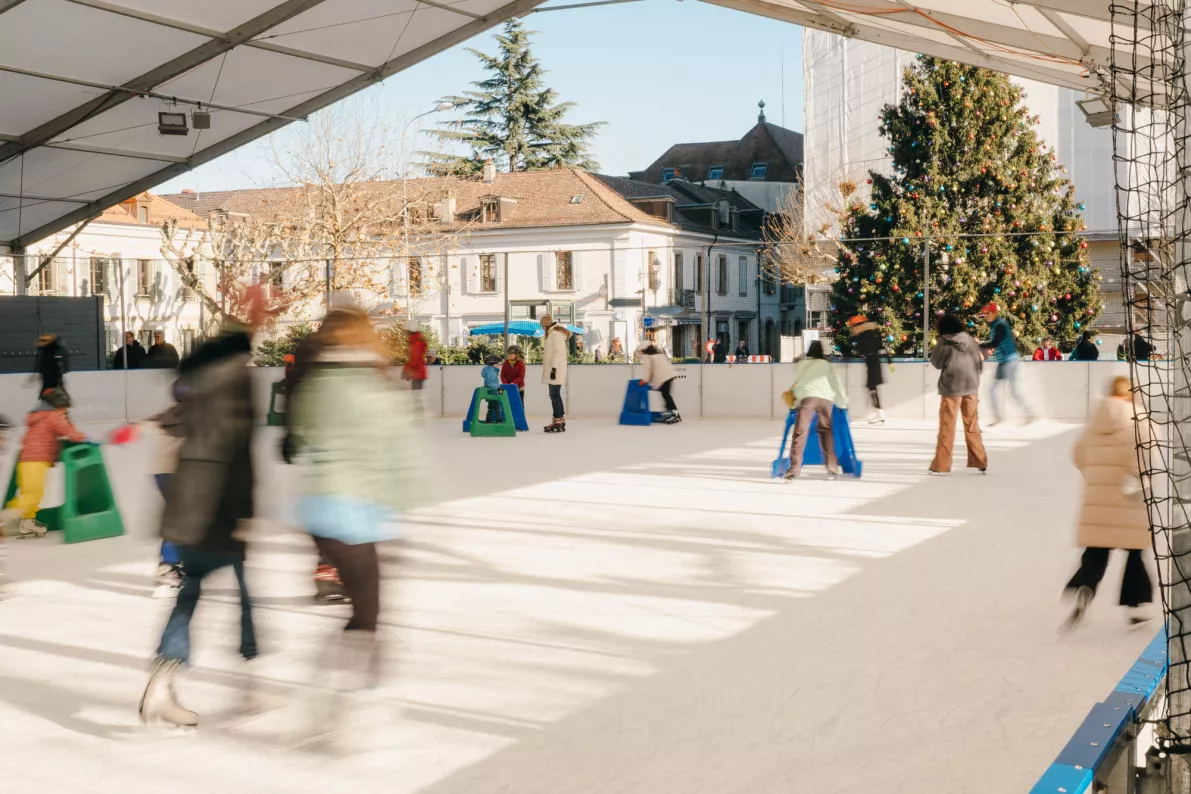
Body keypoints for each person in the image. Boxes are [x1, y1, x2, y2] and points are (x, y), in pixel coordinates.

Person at [288, 306, 425, 729]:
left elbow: (302, 430)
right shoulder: (373, 384)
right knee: (367, 614)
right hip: (357, 512)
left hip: (318, 510)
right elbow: (401, 451)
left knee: (364, 610)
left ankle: (337, 694)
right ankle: (336, 702)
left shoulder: (317, 382)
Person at [139, 287, 269, 728]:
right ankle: (252, 683)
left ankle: (163, 677)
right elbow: (239, 451)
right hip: (220, 504)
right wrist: (245, 512)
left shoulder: (194, 384)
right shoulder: (238, 381)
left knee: (190, 592)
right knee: (244, 596)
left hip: (187, 500)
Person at [1062, 376, 1156, 630]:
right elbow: (1145, 452)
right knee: (1135, 553)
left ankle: (1085, 586)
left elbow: (1078, 453)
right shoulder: (1138, 418)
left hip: (1099, 497)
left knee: (1097, 549)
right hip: (1129, 496)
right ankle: (1134, 606)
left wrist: (1095, 475)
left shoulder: (1097, 419)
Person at [0, 388, 86, 538]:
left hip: (26, 460)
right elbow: (68, 432)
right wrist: (84, 438)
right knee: (32, 496)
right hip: (37, 460)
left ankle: (27, 523)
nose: (65, 412)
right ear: (59, 405)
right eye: (64, 409)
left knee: (31, 493)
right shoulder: (53, 416)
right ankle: (5, 517)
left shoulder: (38, 416)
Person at [135, 383, 189, 598]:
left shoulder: (169, 414)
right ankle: (169, 565)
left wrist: (126, 432)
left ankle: (175, 562)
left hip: (160, 472)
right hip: (178, 473)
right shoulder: (197, 416)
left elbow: (145, 424)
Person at [928, 314, 988, 476]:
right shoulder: (970, 340)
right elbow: (979, 363)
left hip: (951, 389)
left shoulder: (945, 342)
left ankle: (941, 464)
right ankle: (980, 460)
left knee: (947, 427)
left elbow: (936, 363)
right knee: (972, 425)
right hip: (971, 388)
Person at [782, 341, 847, 481]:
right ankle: (832, 465)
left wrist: (793, 406)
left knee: (800, 432)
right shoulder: (827, 364)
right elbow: (836, 384)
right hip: (825, 400)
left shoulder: (802, 364)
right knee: (826, 430)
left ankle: (794, 469)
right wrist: (842, 404)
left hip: (808, 399)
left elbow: (796, 383)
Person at [979, 303, 1034, 426]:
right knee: (992, 389)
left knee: (1013, 392)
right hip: (1003, 362)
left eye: (987, 313)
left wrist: (980, 345)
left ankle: (1028, 412)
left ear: (994, 313)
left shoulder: (1000, 326)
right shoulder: (995, 326)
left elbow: (995, 343)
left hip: (1010, 362)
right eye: (984, 314)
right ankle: (998, 416)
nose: (985, 316)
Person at [848, 315, 893, 424]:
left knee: (872, 387)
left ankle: (880, 412)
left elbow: (859, 349)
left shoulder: (863, 337)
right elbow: (882, 347)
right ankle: (877, 411)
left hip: (872, 364)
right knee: (872, 387)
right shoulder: (873, 336)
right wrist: (889, 361)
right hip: (875, 363)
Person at [638, 341, 681, 424]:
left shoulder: (648, 357)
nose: (641, 353)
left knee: (666, 395)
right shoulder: (659, 355)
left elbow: (648, 370)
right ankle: (671, 413)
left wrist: (644, 381)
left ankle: (674, 414)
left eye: (641, 351)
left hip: (663, 378)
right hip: (669, 376)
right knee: (666, 395)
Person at [541, 315, 570, 432]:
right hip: (556, 368)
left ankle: (557, 419)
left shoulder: (554, 334)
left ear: (547, 325)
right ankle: (560, 419)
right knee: (555, 394)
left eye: (543, 326)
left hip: (556, 369)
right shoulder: (554, 334)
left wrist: (553, 369)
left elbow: (557, 353)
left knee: (554, 395)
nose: (543, 329)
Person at [402, 321, 428, 390]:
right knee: (416, 396)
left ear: (411, 330)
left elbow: (415, 359)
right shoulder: (414, 341)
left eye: (407, 331)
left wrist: (406, 371)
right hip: (417, 373)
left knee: (416, 397)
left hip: (418, 373)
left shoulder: (417, 343)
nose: (406, 333)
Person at [482, 355, 504, 424]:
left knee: (491, 408)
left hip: (490, 393)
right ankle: (499, 420)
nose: (498, 365)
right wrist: (499, 388)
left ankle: (488, 420)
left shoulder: (489, 370)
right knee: (497, 407)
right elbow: (490, 383)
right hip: (493, 393)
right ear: (493, 364)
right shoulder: (492, 372)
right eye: (497, 364)